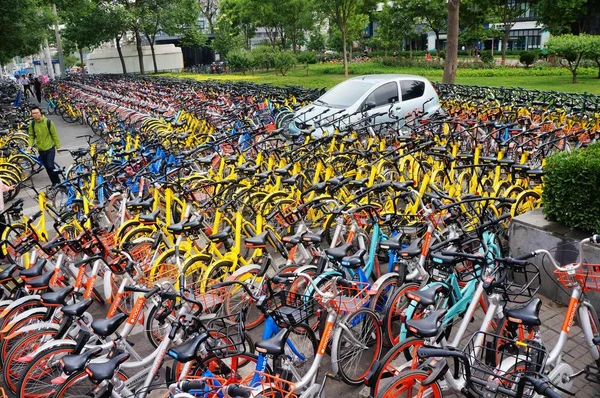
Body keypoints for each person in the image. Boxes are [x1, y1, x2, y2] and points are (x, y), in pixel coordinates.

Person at [27, 106, 61, 186]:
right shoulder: (32, 124)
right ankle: (54, 183)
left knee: (50, 166)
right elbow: (31, 136)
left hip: (50, 148)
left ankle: (58, 182)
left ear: (40, 113)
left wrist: (58, 147)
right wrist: (30, 145)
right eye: (33, 113)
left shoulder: (48, 122)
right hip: (41, 150)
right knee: (47, 168)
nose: (35, 115)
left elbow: (54, 135)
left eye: (36, 113)